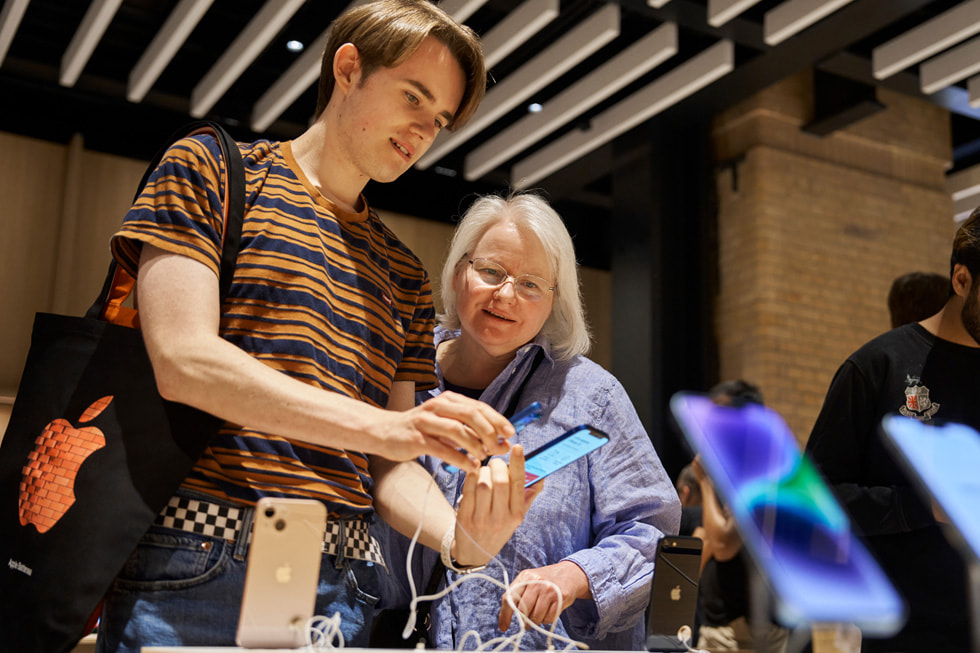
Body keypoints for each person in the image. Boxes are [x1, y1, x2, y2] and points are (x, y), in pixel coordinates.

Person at [94, 2, 539, 651]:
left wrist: (462, 538)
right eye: (413, 97)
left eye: (439, 119)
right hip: (197, 554)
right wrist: (388, 428)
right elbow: (184, 360)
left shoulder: (404, 273)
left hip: (340, 581)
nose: (424, 130)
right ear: (349, 68)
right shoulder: (213, 171)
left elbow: (391, 468)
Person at [373, 192, 681, 650]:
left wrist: (573, 576)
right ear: (459, 273)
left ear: (554, 301)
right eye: (490, 271)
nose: (505, 295)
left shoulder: (591, 397)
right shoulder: (396, 378)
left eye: (531, 284)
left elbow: (653, 533)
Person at [805, 211, 980, 651]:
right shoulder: (877, 367)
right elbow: (814, 499)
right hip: (909, 635)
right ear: (962, 279)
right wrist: (923, 506)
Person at [693, 380, 788, 653]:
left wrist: (705, 482)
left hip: (741, 633)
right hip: (733, 627)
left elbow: (724, 544)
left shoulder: (758, 470)